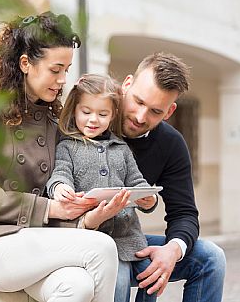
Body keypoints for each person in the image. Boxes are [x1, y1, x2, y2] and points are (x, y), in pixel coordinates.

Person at [0, 11, 128, 302]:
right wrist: (51, 209)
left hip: (32, 245)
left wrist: (86, 217)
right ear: (25, 64)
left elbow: (59, 194)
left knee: (77, 285)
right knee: (102, 248)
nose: (62, 80)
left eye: (67, 70)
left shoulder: (52, 121)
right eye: (55, 69)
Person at [114, 52, 226, 302]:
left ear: (169, 111)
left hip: (128, 240)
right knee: (115, 272)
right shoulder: (92, 117)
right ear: (126, 85)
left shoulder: (171, 143)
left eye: (155, 111)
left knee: (211, 258)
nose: (141, 117)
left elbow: (184, 213)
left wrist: (172, 250)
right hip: (86, 241)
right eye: (138, 102)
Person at [45, 73, 161, 300]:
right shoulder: (68, 147)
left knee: (152, 278)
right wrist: (60, 188)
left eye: (102, 114)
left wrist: (148, 199)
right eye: (86, 112)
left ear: (113, 115)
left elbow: (137, 181)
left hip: (129, 237)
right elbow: (60, 173)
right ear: (75, 109)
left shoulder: (121, 149)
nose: (93, 120)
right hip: (95, 239)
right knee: (118, 284)